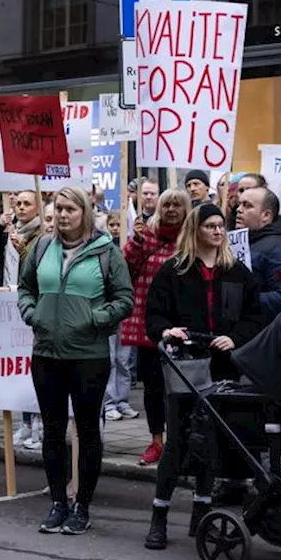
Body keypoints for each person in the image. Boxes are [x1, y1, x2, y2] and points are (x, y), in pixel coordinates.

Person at [142, 204, 263, 550]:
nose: (217, 231)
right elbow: (154, 316)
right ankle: (159, 517)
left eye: (220, 226)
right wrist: (168, 330)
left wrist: (236, 337)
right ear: (195, 230)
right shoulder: (173, 271)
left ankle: (202, 511)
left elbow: (255, 317)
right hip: (186, 367)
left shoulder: (237, 272)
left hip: (223, 368)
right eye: (209, 226)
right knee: (177, 441)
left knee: (210, 440)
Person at [18, 186, 134, 536]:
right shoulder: (40, 248)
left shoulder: (106, 252)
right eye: (59, 209)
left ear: (84, 212)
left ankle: (82, 504)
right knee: (52, 431)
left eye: (71, 209)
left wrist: (95, 319)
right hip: (47, 354)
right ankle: (58, 503)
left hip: (89, 356)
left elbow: (124, 298)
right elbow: (25, 288)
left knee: (87, 431)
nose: (64, 215)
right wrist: (31, 313)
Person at [121, 188, 189, 466]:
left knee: (181, 390)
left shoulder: (191, 238)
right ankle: (156, 441)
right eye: (167, 204)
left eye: (177, 204)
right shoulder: (146, 234)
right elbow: (126, 267)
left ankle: (180, 443)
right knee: (153, 388)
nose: (171, 209)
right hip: (151, 323)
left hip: (183, 324)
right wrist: (136, 242)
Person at [236, 186, 281, 318]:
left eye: (247, 206)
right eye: (239, 204)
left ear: (266, 216)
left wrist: (240, 299)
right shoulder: (244, 241)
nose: (239, 210)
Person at [0, 190, 44, 288]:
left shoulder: (42, 235)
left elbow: (37, 269)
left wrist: (22, 250)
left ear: (38, 209)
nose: (21, 207)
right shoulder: (11, 230)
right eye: (18, 204)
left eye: (27, 204)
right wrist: (0, 226)